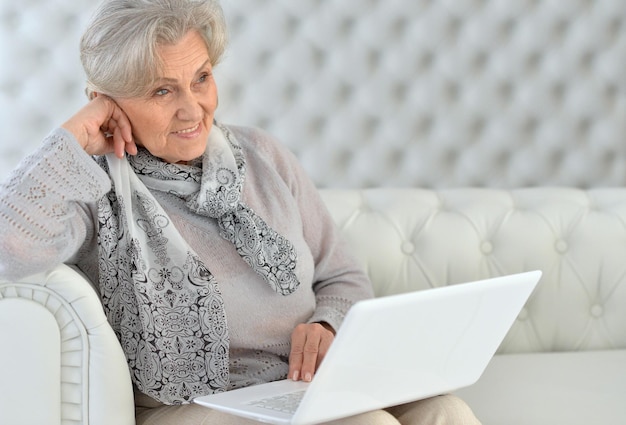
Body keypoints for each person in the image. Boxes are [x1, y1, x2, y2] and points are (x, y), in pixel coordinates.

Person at [0, 0, 481, 424]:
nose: (193, 110)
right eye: (162, 91)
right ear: (106, 102)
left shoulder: (262, 155)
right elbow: (9, 252)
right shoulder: (90, 185)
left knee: (447, 412)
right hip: (199, 406)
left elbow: (342, 275)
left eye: (201, 79)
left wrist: (328, 324)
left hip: (304, 386)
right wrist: (71, 139)